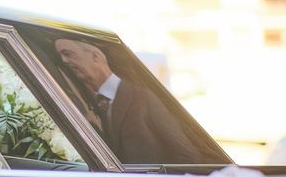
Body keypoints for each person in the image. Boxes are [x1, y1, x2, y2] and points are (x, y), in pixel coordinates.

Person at [54, 38, 199, 164]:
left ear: (95, 57)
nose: (64, 61)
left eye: (67, 54)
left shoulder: (143, 97)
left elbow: (189, 157)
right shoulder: (93, 105)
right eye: (60, 56)